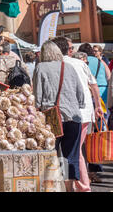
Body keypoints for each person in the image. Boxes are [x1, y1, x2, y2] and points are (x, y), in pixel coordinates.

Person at [51, 37, 103, 192]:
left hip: (66, 113)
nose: (73, 50)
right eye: (71, 47)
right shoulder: (80, 63)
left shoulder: (54, 65)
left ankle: (82, 186)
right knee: (75, 151)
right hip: (85, 112)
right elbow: (94, 86)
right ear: (68, 50)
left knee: (73, 152)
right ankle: (76, 185)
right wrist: (98, 106)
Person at [33, 40, 84, 192]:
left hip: (51, 118)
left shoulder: (40, 67)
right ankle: (70, 188)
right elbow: (80, 95)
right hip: (73, 117)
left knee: (49, 154)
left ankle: (50, 187)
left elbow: (37, 96)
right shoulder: (68, 67)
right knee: (71, 155)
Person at [78, 42, 110, 183]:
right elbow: (108, 76)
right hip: (102, 98)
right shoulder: (100, 61)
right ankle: (95, 170)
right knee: (98, 133)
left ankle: (87, 172)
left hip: (88, 99)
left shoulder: (80, 63)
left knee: (87, 137)